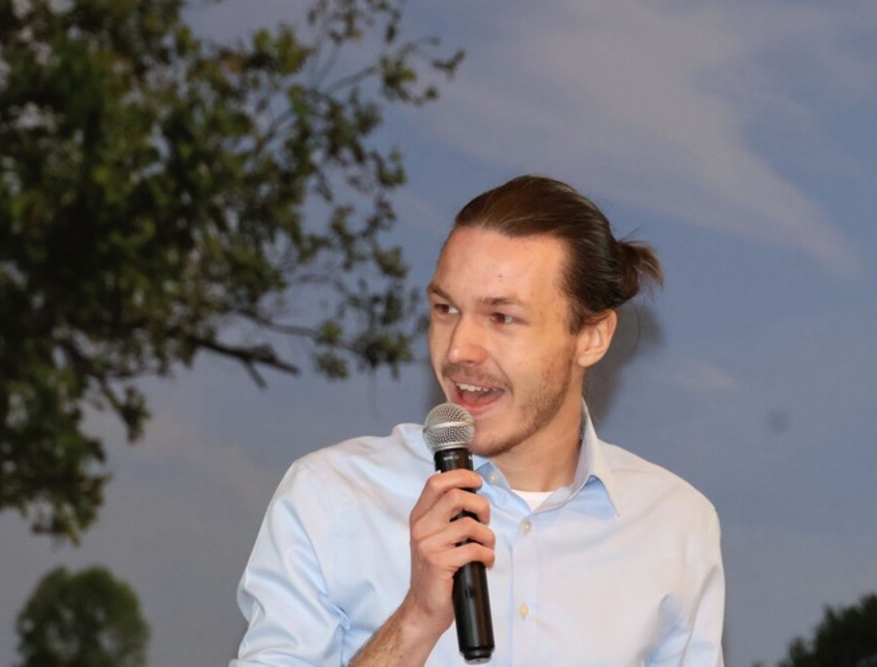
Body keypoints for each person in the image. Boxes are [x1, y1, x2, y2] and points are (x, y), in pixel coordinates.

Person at [231, 175, 725, 666]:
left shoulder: (675, 526)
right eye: (445, 309)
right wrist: (415, 622)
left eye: (502, 317)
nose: (458, 350)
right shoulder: (331, 498)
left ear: (591, 337)